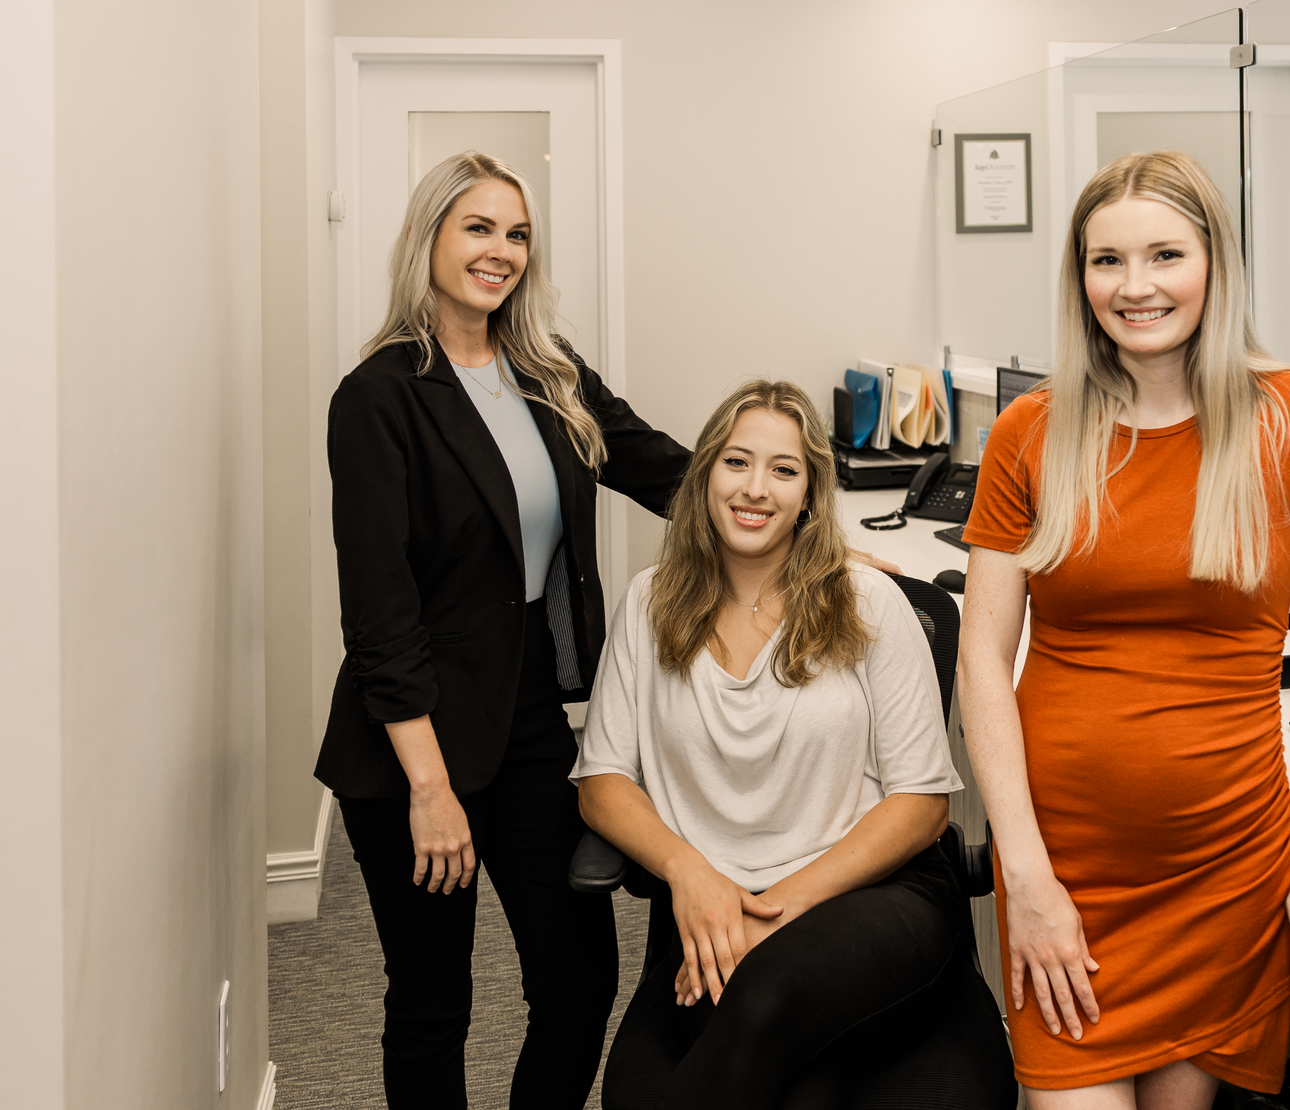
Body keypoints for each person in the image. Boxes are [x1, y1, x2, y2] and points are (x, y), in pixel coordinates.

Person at [957, 150, 1290, 1107]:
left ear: (1214, 264)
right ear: (1080, 279)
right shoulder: (1030, 430)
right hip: (1063, 866)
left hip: (1222, 865)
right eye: (1107, 261)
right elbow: (982, 663)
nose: (1136, 286)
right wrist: (1023, 876)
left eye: (1164, 254)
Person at [316, 151, 692, 1108]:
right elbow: (379, 615)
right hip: (412, 737)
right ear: (430, 239)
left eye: (517, 233)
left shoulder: (548, 373)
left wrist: (817, 534)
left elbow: (665, 471)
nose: (501, 251)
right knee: (435, 998)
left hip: (529, 716)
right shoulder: (379, 397)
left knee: (577, 979)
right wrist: (429, 789)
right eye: (478, 228)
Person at [575, 379, 1016, 1110]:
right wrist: (688, 871)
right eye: (736, 462)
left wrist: (768, 911)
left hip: (879, 901)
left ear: (811, 494)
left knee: (766, 990)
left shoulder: (868, 603)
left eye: (784, 470)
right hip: (716, 905)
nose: (756, 488)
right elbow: (603, 783)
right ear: (704, 475)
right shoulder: (650, 603)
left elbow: (920, 807)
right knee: (797, 1086)